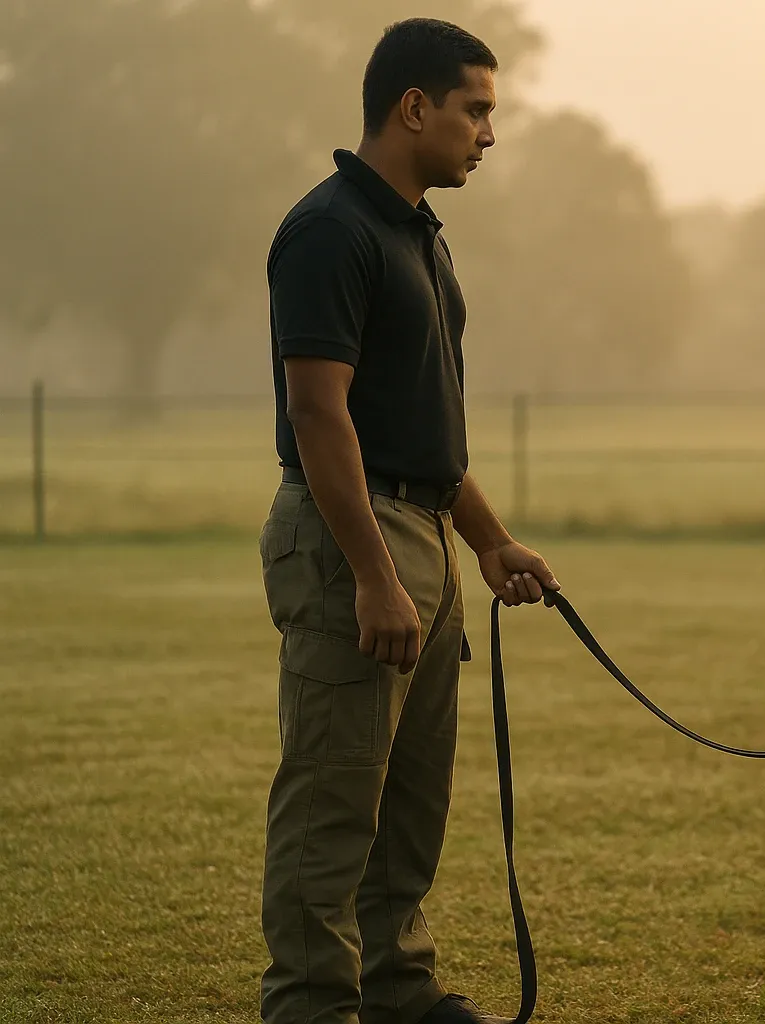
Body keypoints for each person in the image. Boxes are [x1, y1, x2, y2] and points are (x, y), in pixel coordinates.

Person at [256, 18, 556, 1024]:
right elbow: (319, 413)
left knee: (410, 805)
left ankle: (397, 991)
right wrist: (375, 574)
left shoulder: (416, 236)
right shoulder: (330, 230)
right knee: (333, 803)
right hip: (355, 539)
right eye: (475, 110)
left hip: (422, 532)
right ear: (413, 107)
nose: (488, 133)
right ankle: (311, 1007)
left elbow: (425, 432)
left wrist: (492, 540)